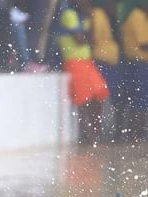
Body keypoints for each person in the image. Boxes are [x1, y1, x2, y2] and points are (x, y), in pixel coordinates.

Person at [59, 0, 109, 145]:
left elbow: (91, 40)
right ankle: (89, 137)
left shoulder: (83, 16)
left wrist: (92, 20)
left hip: (87, 62)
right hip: (74, 62)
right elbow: (80, 40)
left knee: (99, 95)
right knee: (84, 101)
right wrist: (87, 35)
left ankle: (93, 134)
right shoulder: (69, 14)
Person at [119, 0, 148, 143]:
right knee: (138, 103)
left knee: (144, 103)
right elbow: (145, 45)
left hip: (146, 65)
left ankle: (140, 136)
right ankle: (134, 136)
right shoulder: (136, 15)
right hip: (138, 65)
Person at [88, 0, 121, 128]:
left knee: (113, 99)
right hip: (101, 62)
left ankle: (100, 128)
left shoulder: (107, 17)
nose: (115, 6)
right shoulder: (98, 14)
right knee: (98, 98)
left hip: (108, 61)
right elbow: (93, 39)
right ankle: (95, 129)